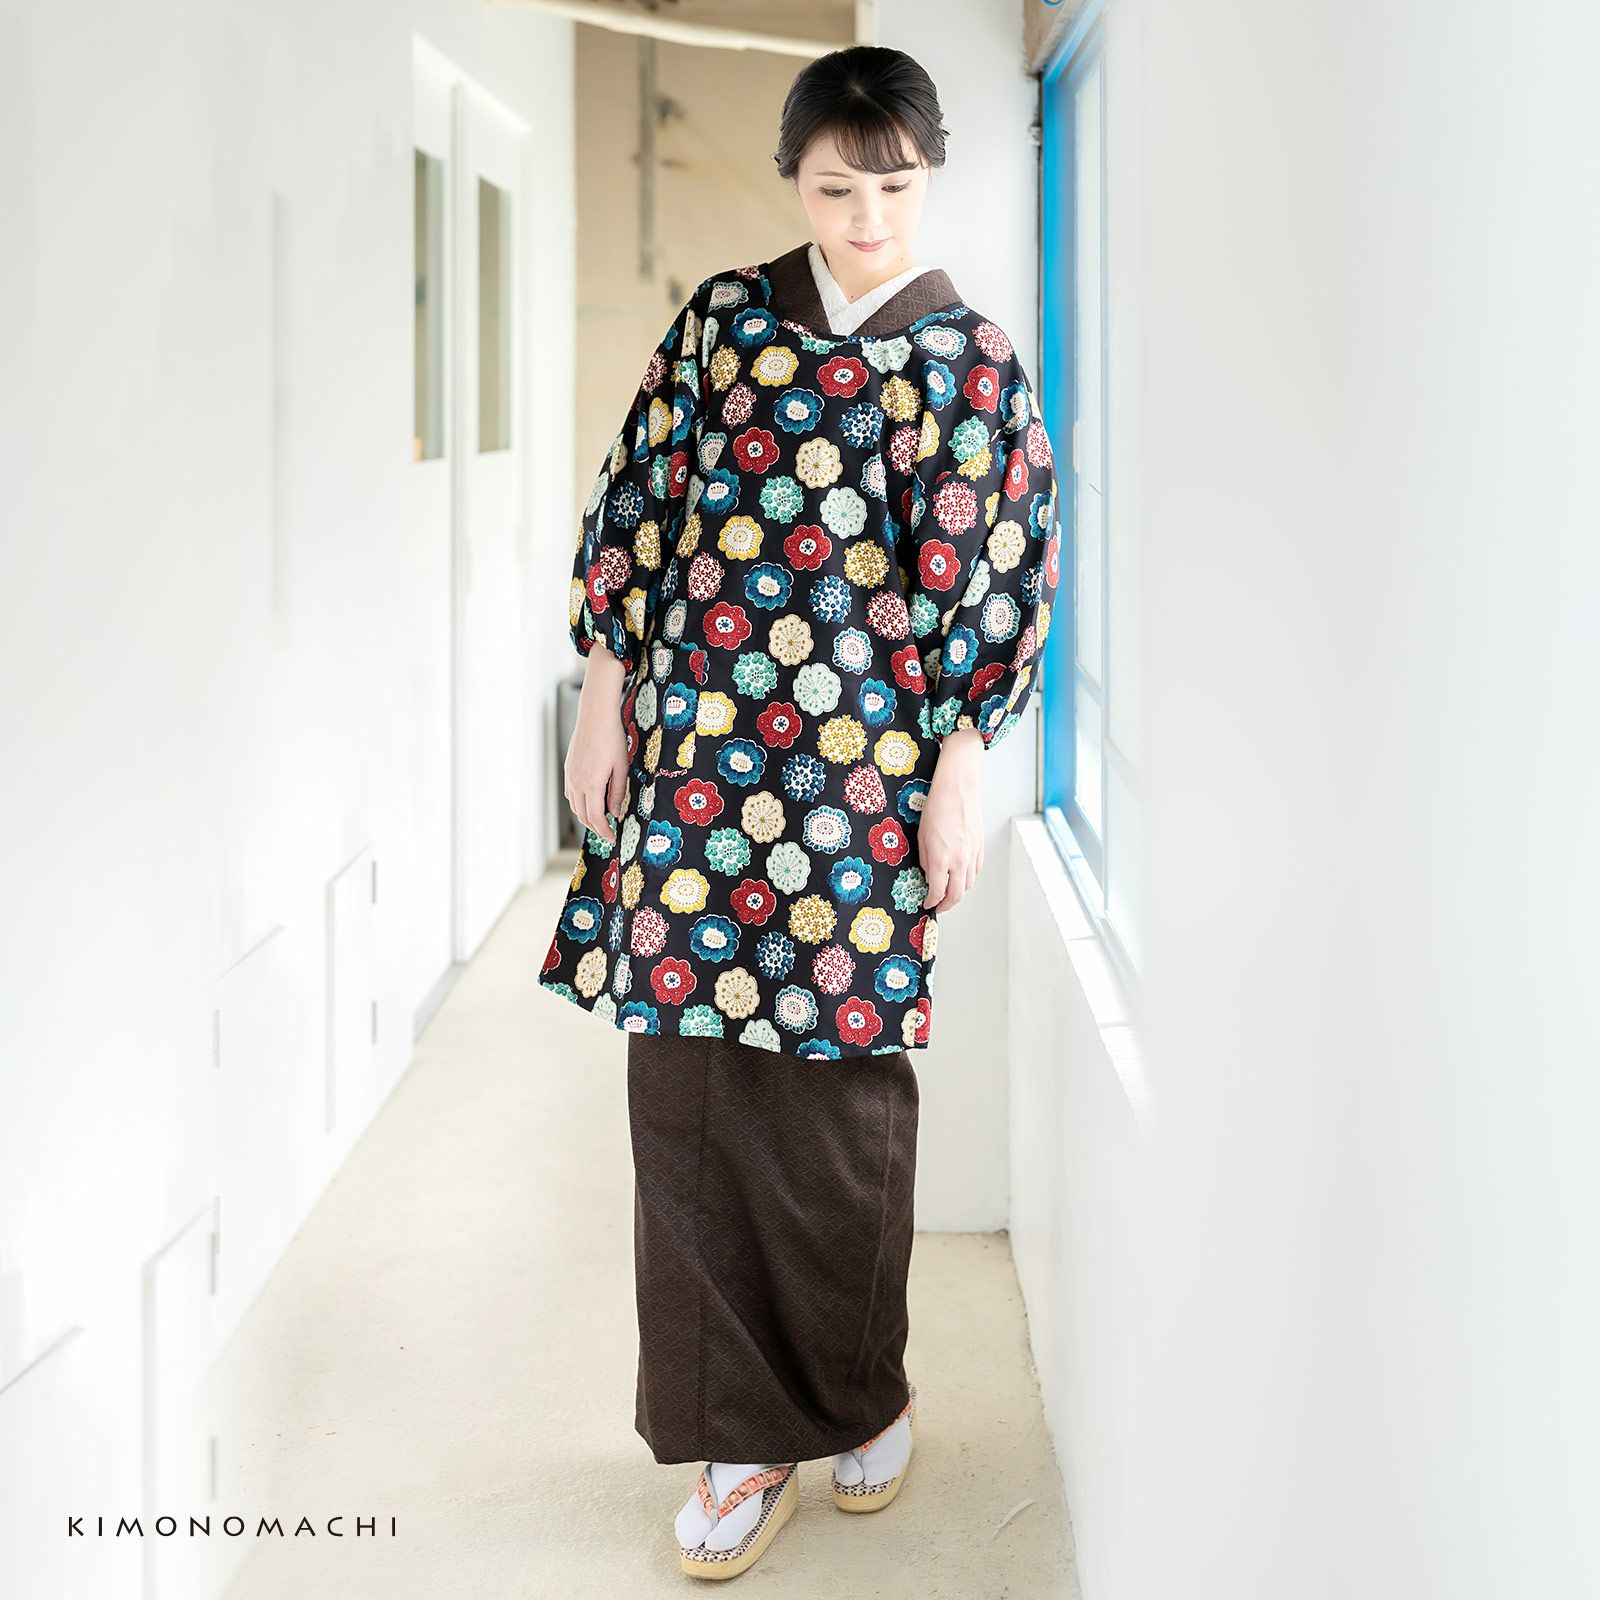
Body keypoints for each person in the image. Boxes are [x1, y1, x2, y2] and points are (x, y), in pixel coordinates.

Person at [539, 43, 1061, 1581]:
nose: (867, 217)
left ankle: (860, 1390)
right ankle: (743, 1439)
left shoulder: (969, 362)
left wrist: (960, 773)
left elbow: (996, 585)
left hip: (861, 783)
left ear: (931, 174)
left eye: (893, 186)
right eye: (837, 189)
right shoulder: (722, 323)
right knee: (687, 1090)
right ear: (794, 180)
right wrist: (602, 694)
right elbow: (638, 505)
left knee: (839, 1104)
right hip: (700, 763)